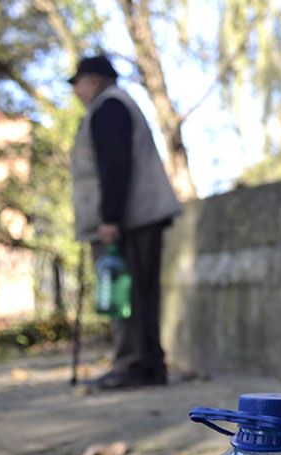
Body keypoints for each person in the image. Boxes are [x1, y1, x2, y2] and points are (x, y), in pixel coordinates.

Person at [69, 55, 181, 389]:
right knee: (142, 294)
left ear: (94, 82)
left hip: (128, 219)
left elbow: (114, 165)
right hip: (141, 217)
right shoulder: (120, 104)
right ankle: (149, 366)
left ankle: (131, 365)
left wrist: (109, 218)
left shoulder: (109, 107)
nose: (76, 91)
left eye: (78, 83)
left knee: (122, 291)